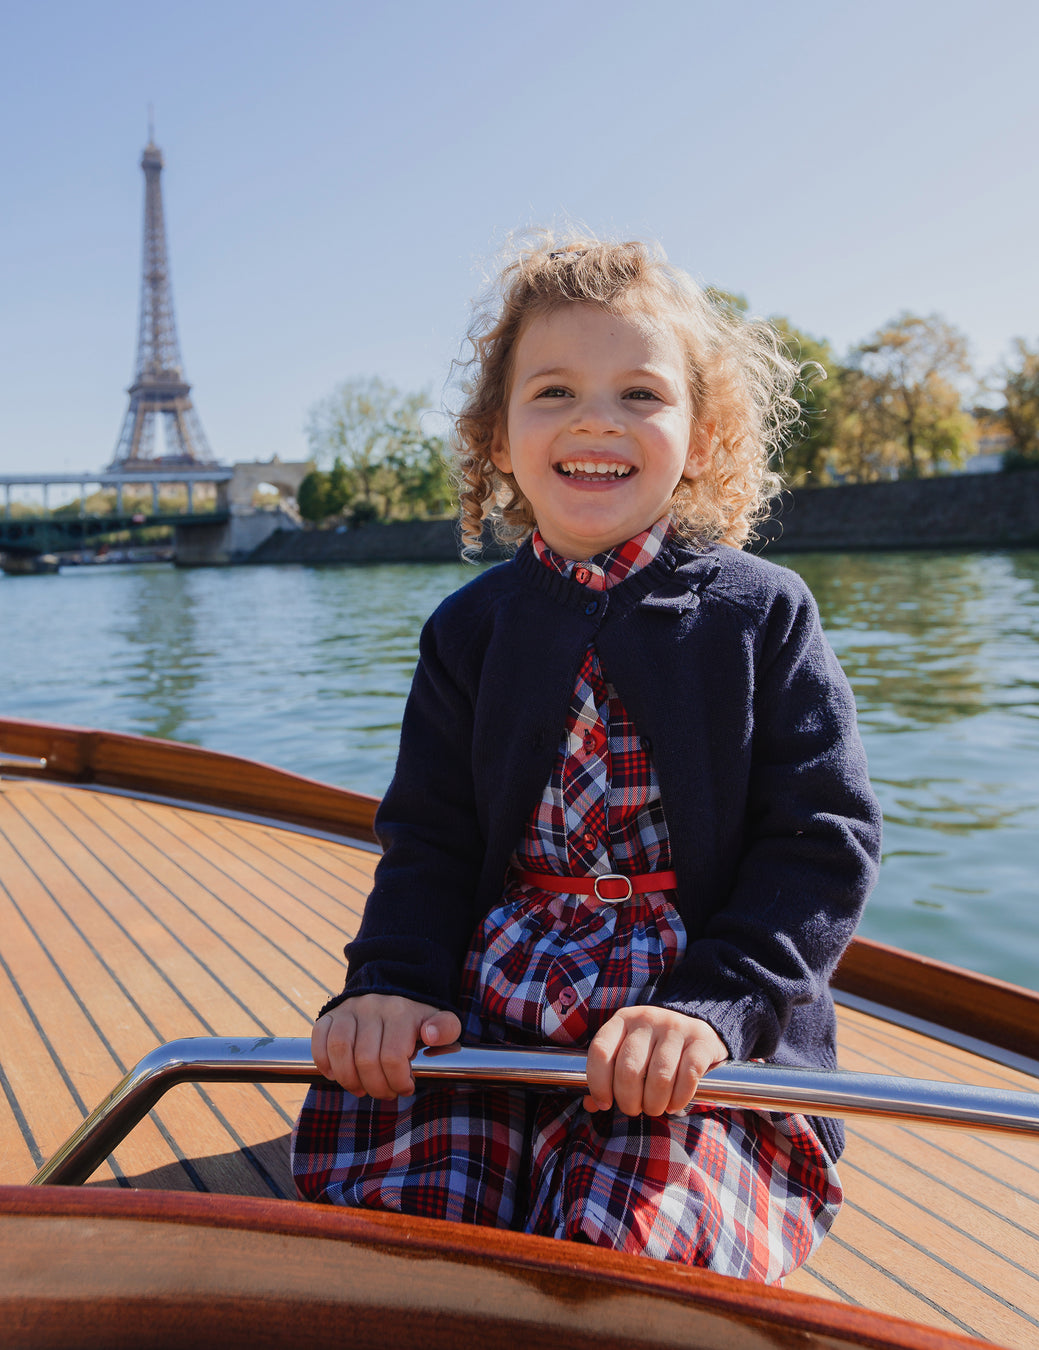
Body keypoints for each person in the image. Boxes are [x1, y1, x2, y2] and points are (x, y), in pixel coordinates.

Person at [291, 236, 881, 1283]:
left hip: (686, 1012)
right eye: (553, 390)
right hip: (490, 998)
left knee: (622, 1251)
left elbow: (820, 843)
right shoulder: (468, 630)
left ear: (702, 436)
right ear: (498, 439)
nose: (595, 418)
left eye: (640, 393)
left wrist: (715, 1006)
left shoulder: (764, 614)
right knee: (412, 1235)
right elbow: (429, 838)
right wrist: (389, 984)